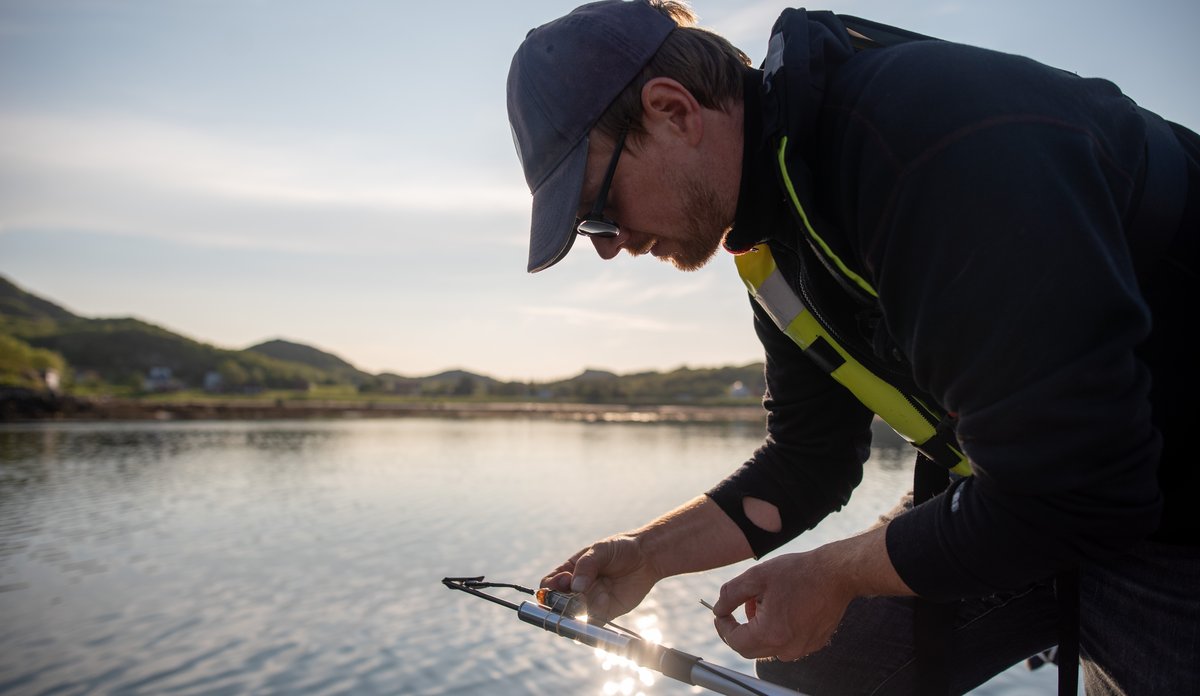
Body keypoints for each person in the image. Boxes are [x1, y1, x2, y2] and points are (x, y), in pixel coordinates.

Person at [505, 1, 1199, 694]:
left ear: (674, 111)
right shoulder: (771, 240)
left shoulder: (929, 142)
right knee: (819, 665)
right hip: (1027, 495)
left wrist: (836, 572)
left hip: (1156, 512)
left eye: (596, 209)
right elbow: (810, 459)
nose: (605, 246)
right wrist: (647, 555)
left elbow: (1077, 488)